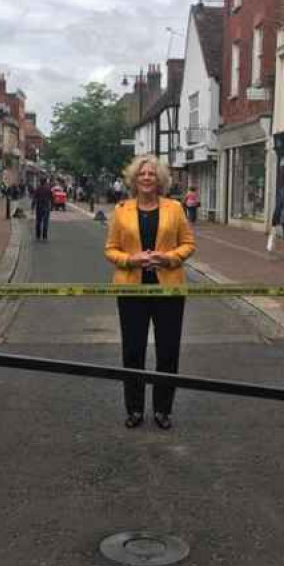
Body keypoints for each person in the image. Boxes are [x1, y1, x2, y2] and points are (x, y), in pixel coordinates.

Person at [105, 155, 195, 430]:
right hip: (131, 290)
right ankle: (134, 409)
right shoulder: (121, 210)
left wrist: (168, 258)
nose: (146, 178)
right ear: (134, 179)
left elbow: (188, 244)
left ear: (160, 180)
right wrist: (130, 260)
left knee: (168, 351)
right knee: (133, 352)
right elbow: (110, 248)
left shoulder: (175, 208)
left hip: (168, 289)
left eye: (151, 174)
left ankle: (162, 410)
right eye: (142, 174)